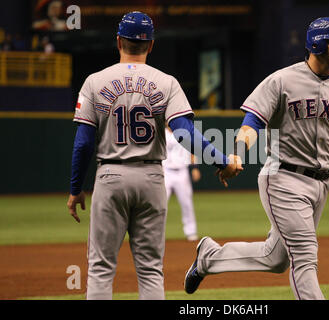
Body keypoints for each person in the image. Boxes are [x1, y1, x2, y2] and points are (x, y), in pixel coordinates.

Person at [184, 17, 329, 300]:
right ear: (316, 44)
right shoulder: (282, 80)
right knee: (305, 256)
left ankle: (209, 257)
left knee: (276, 257)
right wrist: (237, 153)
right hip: (283, 177)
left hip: (321, 183)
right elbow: (253, 122)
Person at [66, 11, 241, 300]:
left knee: (100, 268)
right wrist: (222, 160)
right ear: (151, 45)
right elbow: (184, 133)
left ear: (118, 41)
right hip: (151, 177)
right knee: (150, 269)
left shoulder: (94, 81)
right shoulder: (166, 82)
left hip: (110, 174)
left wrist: (75, 189)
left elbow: (83, 144)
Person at [163, 126, 201, 241]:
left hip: (182, 171)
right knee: (160, 204)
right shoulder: (161, 132)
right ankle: (157, 233)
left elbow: (192, 150)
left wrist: (195, 167)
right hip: (165, 171)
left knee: (187, 203)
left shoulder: (184, 133)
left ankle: (191, 232)